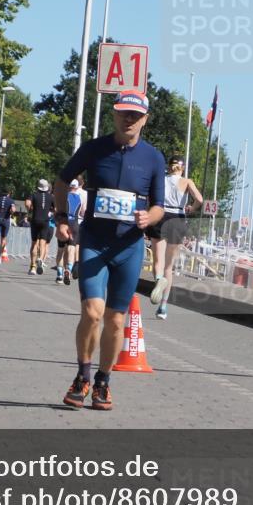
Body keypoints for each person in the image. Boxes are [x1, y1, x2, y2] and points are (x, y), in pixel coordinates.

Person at [55, 89, 166, 411]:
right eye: (123, 113)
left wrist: (150, 216)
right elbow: (62, 181)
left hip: (129, 246)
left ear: (145, 119)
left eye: (135, 115)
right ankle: (82, 375)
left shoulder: (153, 158)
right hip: (94, 242)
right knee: (92, 312)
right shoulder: (93, 148)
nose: (128, 119)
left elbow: (160, 206)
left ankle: (103, 381)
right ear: (114, 115)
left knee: (116, 321)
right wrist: (62, 217)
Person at [147, 155, 204, 319]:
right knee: (169, 267)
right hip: (178, 217)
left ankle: (158, 280)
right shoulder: (187, 182)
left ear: (169, 167)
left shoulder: (161, 179)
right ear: (182, 168)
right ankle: (163, 307)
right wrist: (192, 208)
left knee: (158, 261)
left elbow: (151, 197)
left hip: (161, 214)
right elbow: (199, 199)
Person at [56, 178, 87, 286]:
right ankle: (68, 269)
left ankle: (59, 275)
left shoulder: (65, 197)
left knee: (60, 250)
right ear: (77, 186)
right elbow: (83, 212)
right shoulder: (80, 198)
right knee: (71, 249)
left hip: (64, 222)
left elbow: (58, 210)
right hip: (75, 223)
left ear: (69, 186)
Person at [26, 179, 54, 275]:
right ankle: (41, 259)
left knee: (34, 243)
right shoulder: (51, 196)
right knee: (42, 243)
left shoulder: (33, 194)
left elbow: (27, 203)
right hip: (45, 221)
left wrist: (29, 209)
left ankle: (32, 266)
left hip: (35, 220)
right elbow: (57, 208)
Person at [0, 188, 16, 261]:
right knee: (4, 238)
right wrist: (12, 212)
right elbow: (13, 209)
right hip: (6, 220)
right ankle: (0, 254)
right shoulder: (11, 200)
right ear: (8, 194)